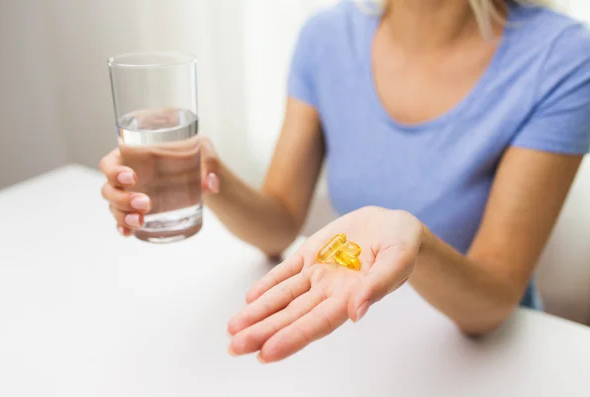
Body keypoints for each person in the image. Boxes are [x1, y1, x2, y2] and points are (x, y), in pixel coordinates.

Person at [99, 0, 590, 363]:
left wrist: (412, 242)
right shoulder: (325, 37)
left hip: (485, 351)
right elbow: (278, 223)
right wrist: (209, 172)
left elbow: (493, 305)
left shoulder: (563, 58)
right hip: (354, 332)